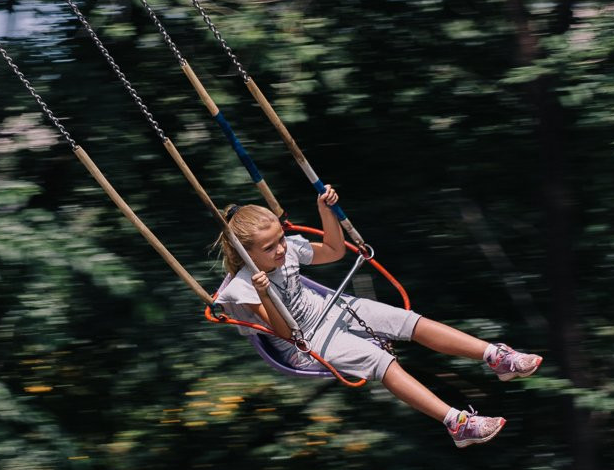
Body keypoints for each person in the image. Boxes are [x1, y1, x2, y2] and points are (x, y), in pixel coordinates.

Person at [213, 187, 542, 448]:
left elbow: (334, 251)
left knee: (407, 321)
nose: (281, 250)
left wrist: (326, 211)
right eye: (270, 248)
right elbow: (285, 332)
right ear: (247, 254)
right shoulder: (244, 288)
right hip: (303, 342)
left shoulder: (288, 250)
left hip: (329, 307)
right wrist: (266, 293)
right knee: (380, 360)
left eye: (280, 240)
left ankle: (496, 357)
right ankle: (458, 423)